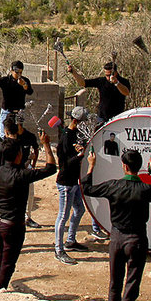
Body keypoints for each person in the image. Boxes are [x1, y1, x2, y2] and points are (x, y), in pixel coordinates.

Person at [81, 149, 151, 301]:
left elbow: (87, 189)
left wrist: (91, 166)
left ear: (124, 166)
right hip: (137, 239)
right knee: (132, 281)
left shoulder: (113, 186)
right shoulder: (145, 189)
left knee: (115, 281)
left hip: (117, 238)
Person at [0, 119, 56, 291]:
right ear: (18, 156)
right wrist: (46, 145)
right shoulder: (22, 175)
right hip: (13, 226)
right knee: (8, 263)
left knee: (1, 258)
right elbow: (51, 168)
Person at [54, 106, 91, 265]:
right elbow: (65, 164)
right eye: (83, 122)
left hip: (73, 182)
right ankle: (59, 249)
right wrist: (80, 156)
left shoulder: (75, 134)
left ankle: (70, 240)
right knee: (63, 216)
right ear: (76, 121)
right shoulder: (66, 138)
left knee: (80, 209)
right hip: (66, 183)